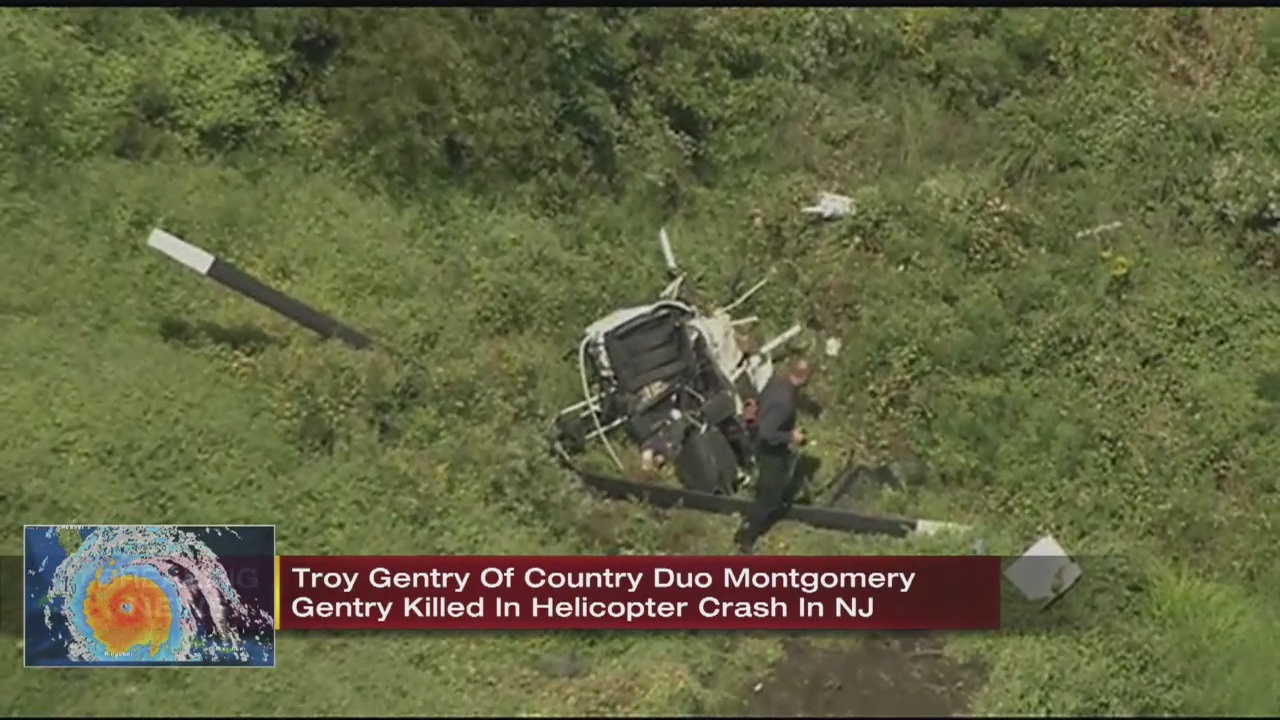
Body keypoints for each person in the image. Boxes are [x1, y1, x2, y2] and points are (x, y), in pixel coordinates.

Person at [734, 359, 812, 554]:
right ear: (803, 378)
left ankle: (759, 507)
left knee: (777, 477)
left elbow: (761, 402)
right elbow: (766, 433)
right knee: (770, 497)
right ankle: (747, 535)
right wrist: (790, 436)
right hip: (768, 448)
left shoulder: (776, 380)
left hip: (767, 441)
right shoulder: (784, 402)